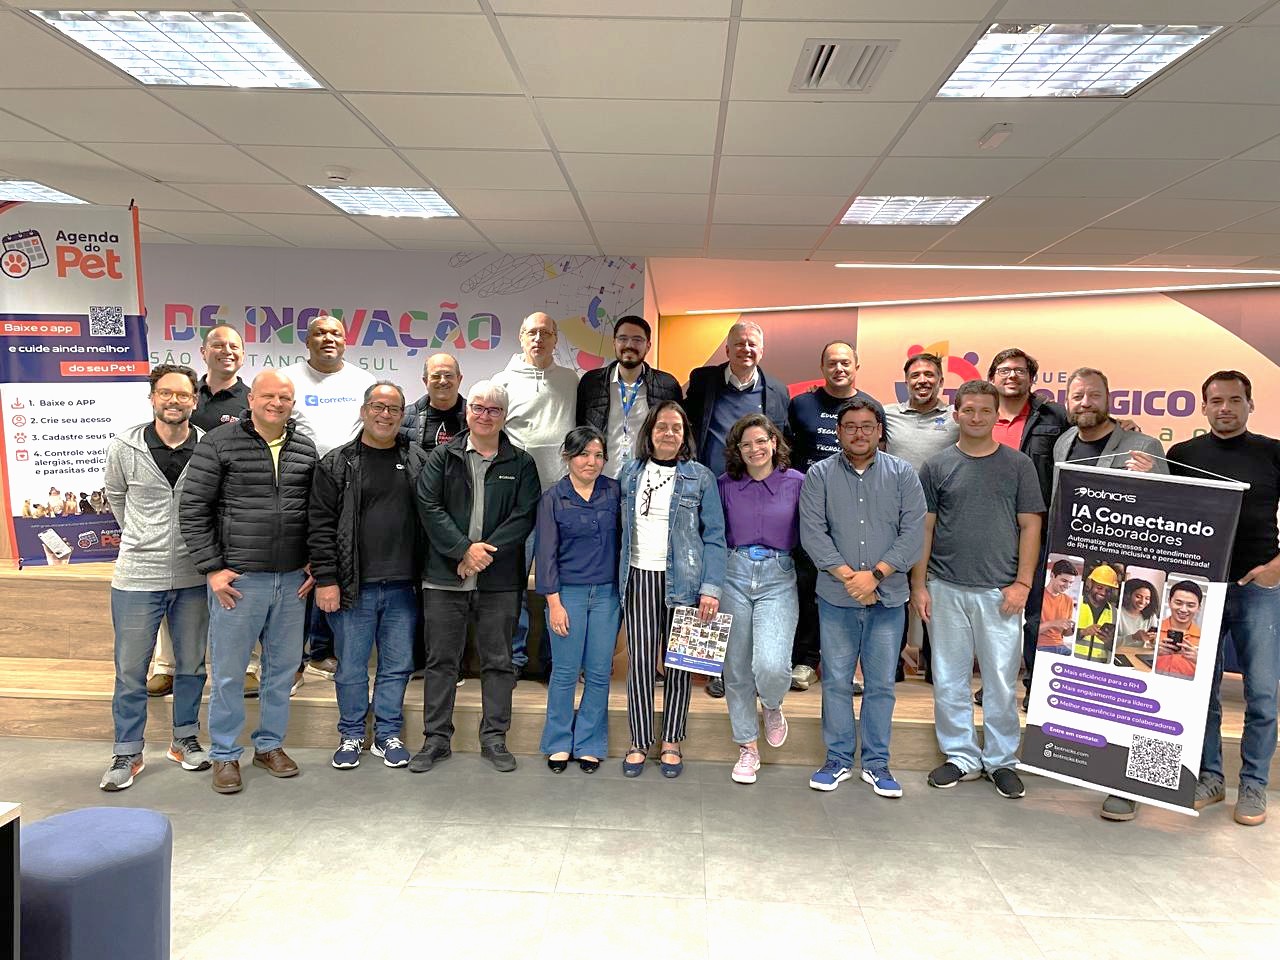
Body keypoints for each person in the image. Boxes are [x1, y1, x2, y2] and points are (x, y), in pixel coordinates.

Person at [180, 370, 318, 795]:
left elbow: (315, 511)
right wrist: (212, 569)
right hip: (239, 582)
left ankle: (269, 746)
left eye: (285, 398)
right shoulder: (218, 443)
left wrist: (314, 562)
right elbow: (193, 508)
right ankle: (224, 754)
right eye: (268, 396)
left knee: (281, 672)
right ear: (251, 399)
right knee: (229, 674)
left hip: (292, 581)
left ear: (293, 404)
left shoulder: (304, 447)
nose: (277, 403)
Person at [912, 379, 1044, 800]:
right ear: (956, 414)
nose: (976, 417)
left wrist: (1023, 583)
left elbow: (1031, 525)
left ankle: (1001, 760)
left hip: (1001, 592)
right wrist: (920, 585)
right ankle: (962, 756)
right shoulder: (936, 466)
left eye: (985, 410)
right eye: (968, 410)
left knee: (1001, 681)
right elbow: (925, 528)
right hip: (945, 587)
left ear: (996, 415)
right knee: (949, 678)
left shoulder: (1018, 465)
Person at [411, 381, 541, 774]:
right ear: (468, 412)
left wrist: (481, 555)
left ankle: (495, 738)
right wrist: (462, 550)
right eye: (479, 408)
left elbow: (524, 516)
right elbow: (428, 506)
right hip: (444, 577)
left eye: (494, 410)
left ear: (504, 416)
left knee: (499, 661)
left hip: (499, 580)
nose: (485, 416)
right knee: (441, 662)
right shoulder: (442, 457)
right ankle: (435, 739)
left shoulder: (521, 463)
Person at [1168, 370, 1280, 826]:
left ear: (1250, 404)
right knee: (1201, 691)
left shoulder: (1273, 453)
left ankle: (1254, 784)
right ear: (1204, 407)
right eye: (1216, 401)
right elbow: (1163, 512)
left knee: (1263, 693)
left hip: (1260, 588)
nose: (1226, 408)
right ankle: (1210, 777)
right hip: (1201, 589)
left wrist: (1277, 566)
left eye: (1235, 400)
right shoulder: (1182, 455)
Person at [800, 399, 925, 796]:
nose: (859, 433)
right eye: (850, 426)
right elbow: (813, 533)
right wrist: (850, 578)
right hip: (836, 599)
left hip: (888, 600)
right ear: (838, 432)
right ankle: (837, 760)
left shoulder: (903, 474)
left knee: (881, 685)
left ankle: (876, 764)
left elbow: (913, 534)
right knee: (836, 682)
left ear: (879, 431)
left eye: (867, 426)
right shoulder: (819, 475)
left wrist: (876, 576)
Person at [100, 364, 210, 791]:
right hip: (136, 576)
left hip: (193, 575)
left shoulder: (209, 447)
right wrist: (143, 538)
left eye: (182, 395)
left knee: (192, 665)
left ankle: (185, 740)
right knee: (131, 669)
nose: (173, 401)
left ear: (194, 401)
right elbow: (116, 498)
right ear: (153, 397)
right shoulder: (125, 446)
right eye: (166, 393)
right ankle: (127, 751)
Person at [310, 381, 426, 771]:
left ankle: (387, 734)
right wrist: (326, 579)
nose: (385, 415)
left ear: (402, 415)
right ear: (363, 411)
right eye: (378, 406)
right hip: (352, 587)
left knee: (397, 666)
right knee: (351, 668)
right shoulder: (337, 462)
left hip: (403, 587)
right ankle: (351, 734)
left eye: (393, 409)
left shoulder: (418, 459)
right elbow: (320, 526)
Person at [618, 400, 726, 779]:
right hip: (638, 577)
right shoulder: (629, 473)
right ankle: (639, 740)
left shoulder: (701, 477)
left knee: (680, 665)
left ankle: (671, 741)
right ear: (649, 432)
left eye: (676, 428)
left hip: (686, 581)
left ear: (685, 436)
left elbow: (715, 536)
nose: (668, 433)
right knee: (641, 663)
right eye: (661, 426)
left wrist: (711, 588)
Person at [149, 323, 258, 698]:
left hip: (232, 508)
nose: (227, 351)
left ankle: (249, 665)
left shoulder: (251, 400)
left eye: (234, 346)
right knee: (175, 584)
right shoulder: (186, 395)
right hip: (185, 505)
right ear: (203, 352)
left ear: (243, 355)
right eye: (218, 345)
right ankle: (166, 666)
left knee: (240, 586)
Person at [685, 320, 788, 697]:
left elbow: (778, 439)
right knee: (707, 576)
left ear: (762, 350)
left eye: (752, 344)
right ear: (727, 349)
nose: (746, 349)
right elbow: (689, 427)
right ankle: (713, 667)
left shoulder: (777, 389)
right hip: (707, 492)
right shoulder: (703, 381)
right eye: (739, 343)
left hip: (752, 498)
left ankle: (747, 668)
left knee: (740, 583)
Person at [787, 340, 885, 694]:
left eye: (845, 362)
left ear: (856, 366)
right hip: (809, 510)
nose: (839, 368)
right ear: (822, 367)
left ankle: (846, 665)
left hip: (855, 512)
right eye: (832, 363)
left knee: (851, 585)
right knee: (807, 585)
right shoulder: (801, 405)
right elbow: (787, 455)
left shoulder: (871, 406)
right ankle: (804, 660)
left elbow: (880, 461)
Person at [282, 314, 376, 682]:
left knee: (335, 564)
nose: (328, 339)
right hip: (298, 486)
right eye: (319, 333)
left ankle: (323, 652)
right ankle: (292, 660)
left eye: (335, 333)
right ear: (307, 341)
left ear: (345, 340)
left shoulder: (363, 381)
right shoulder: (288, 378)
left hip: (348, 488)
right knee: (301, 570)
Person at [717, 414, 805, 784]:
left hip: (778, 576)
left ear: (773, 442)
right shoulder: (725, 484)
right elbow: (713, 534)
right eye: (746, 444)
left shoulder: (797, 482)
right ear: (737, 450)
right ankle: (747, 748)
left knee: (771, 665)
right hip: (733, 574)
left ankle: (771, 704)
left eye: (761, 441)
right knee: (736, 668)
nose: (755, 449)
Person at [493, 311, 579, 679]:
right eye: (532, 332)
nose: (539, 338)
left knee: (557, 584)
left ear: (556, 338)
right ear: (521, 336)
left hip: (560, 499)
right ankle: (514, 659)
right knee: (512, 583)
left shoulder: (571, 380)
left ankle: (554, 660)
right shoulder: (502, 381)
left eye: (546, 332)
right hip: (517, 500)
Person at [534, 426, 621, 774]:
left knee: (599, 673)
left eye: (599, 455)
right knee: (565, 672)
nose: (592, 462)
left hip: (607, 596)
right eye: (584, 454)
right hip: (566, 595)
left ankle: (589, 743)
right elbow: (545, 554)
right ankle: (558, 742)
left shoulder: (614, 492)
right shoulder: (553, 498)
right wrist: (554, 603)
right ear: (568, 456)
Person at [884, 351, 959, 685]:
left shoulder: (956, 417)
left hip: (943, 518)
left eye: (929, 375)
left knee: (936, 590)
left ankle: (935, 666)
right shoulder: (887, 414)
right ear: (906, 381)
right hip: (895, 518)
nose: (922, 380)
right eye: (915, 375)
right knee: (894, 590)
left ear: (941, 381)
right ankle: (891, 664)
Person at [575, 315, 682, 479]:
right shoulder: (591, 383)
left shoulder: (667, 386)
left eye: (637, 340)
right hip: (601, 478)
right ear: (614, 343)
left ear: (648, 346)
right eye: (623, 338)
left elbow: (678, 435)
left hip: (648, 480)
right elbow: (580, 430)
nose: (629, 345)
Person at [401, 352, 466, 453]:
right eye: (436, 376)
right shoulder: (404, 417)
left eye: (448, 375)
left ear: (459, 379)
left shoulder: (476, 416)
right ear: (425, 381)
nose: (443, 381)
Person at [1153, 581, 1203, 679]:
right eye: (1178, 603)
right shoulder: (1154, 630)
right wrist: (1153, 653)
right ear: (1169, 602)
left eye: (1190, 605)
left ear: (1198, 608)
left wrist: (1200, 661)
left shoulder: (1206, 640)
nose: (1183, 609)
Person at [1074, 564, 1119, 663]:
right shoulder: (1075, 604)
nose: (1103, 593)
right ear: (1090, 584)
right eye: (1099, 587)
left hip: (1098, 667)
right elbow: (1061, 634)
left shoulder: (1115, 613)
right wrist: (1083, 632)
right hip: (1073, 663)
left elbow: (1117, 648)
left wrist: (1110, 642)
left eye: (1108, 590)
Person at [1037, 559, 1080, 657]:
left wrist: (1073, 629)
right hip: (1041, 646)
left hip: (1061, 647)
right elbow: (1030, 631)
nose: (1067, 586)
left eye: (1071, 582)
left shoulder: (1068, 600)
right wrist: (1053, 623)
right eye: (1064, 581)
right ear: (1052, 575)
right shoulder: (1036, 596)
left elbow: (1066, 633)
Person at [1115, 579, 1159, 650]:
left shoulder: (1151, 616)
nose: (1142, 602)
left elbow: (1155, 647)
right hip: (1118, 654)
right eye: (1138, 596)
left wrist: (1154, 641)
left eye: (1147, 598)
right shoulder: (1116, 612)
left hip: (1137, 654)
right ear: (1128, 595)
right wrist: (1133, 637)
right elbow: (1109, 642)